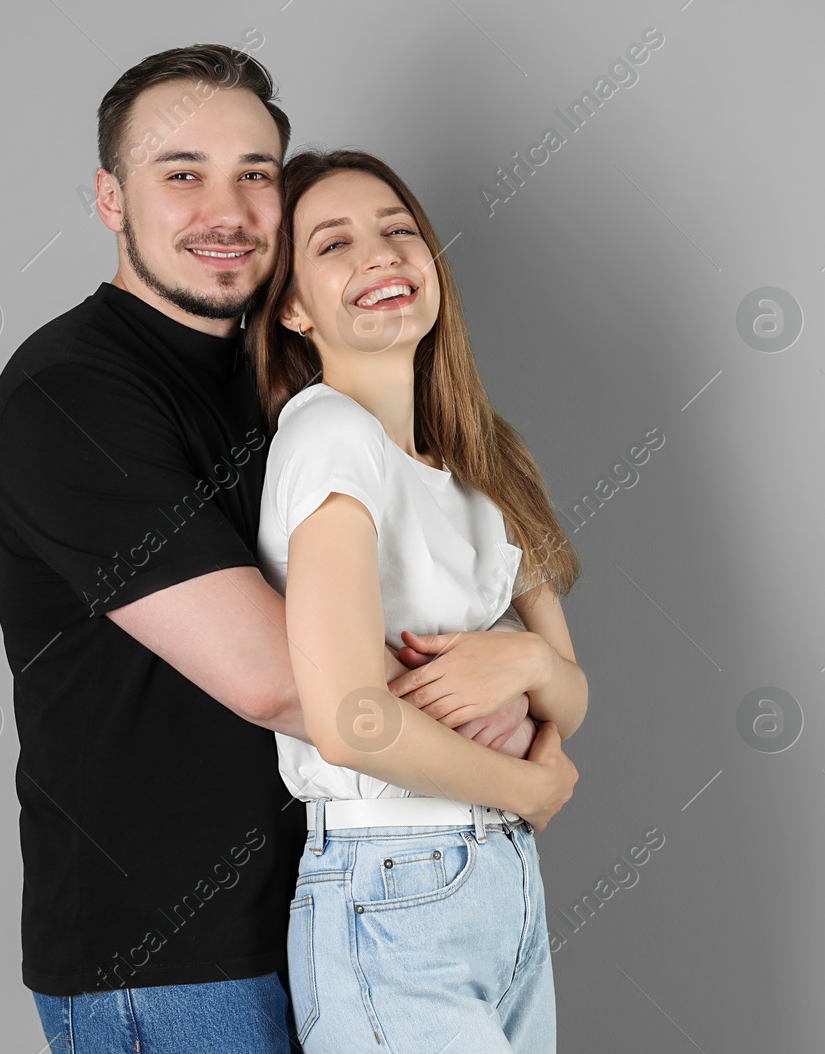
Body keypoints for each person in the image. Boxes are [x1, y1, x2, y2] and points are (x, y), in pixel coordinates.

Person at [0, 46, 562, 1051]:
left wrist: (530, 658)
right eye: (181, 172)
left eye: (254, 173)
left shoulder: (293, 391)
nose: (227, 207)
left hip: (342, 910)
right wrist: (507, 734)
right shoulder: (67, 398)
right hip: (174, 963)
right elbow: (282, 679)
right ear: (111, 199)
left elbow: (438, 594)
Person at [246, 148, 587, 1052]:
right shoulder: (328, 437)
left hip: (501, 886)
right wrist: (531, 785)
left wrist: (525, 661)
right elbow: (352, 718)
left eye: (400, 231)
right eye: (334, 244)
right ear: (291, 307)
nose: (380, 254)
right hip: (390, 883)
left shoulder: (483, 456)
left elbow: (574, 692)